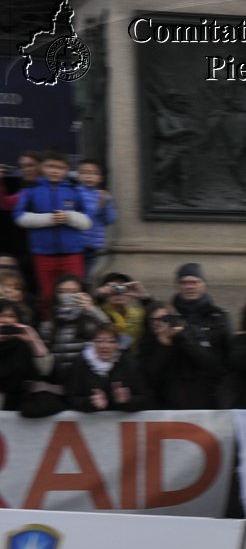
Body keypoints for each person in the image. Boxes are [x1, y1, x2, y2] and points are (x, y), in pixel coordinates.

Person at [11, 150, 90, 319]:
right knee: (47, 296)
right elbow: (18, 217)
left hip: (72, 253)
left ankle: (78, 331)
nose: (55, 171)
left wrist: (69, 217)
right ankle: (49, 330)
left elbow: (87, 221)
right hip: (43, 254)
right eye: (50, 166)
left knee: (75, 294)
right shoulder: (31, 189)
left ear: (67, 169)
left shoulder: (75, 190)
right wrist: (50, 219)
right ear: (43, 167)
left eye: (60, 167)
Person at [63, 322, 146, 413]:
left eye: (111, 341)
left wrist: (127, 400)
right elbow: (71, 398)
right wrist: (91, 402)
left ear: (117, 345)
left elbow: (144, 398)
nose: (105, 346)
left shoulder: (128, 362)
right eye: (100, 341)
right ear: (92, 343)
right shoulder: (80, 362)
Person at [74, 159, 116, 283]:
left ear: (100, 178)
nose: (89, 176)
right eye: (85, 172)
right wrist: (99, 205)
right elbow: (86, 218)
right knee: (77, 278)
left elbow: (110, 219)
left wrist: (106, 203)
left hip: (93, 246)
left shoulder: (102, 195)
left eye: (94, 173)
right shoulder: (76, 193)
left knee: (87, 279)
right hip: (78, 244)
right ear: (78, 176)